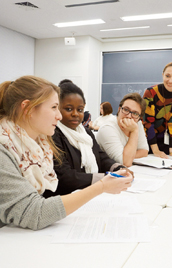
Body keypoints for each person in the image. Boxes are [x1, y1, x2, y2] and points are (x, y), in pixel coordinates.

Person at [0, 76, 132, 230]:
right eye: (54, 107)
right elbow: (34, 213)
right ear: (28, 108)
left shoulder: (40, 145)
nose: (59, 116)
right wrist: (101, 186)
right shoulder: (5, 151)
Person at [44, 79, 129, 197]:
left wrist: (119, 169)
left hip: (90, 195)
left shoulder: (86, 133)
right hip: (65, 199)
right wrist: (103, 180)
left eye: (80, 110)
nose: (75, 114)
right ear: (57, 108)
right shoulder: (52, 134)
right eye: (68, 109)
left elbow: (101, 156)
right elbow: (64, 176)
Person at [143, 62, 172, 158]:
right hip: (145, 139)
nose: (170, 81)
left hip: (161, 139)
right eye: (167, 76)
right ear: (163, 75)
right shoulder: (151, 92)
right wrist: (155, 150)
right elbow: (148, 122)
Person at [96, 93, 149, 167]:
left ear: (139, 118)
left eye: (135, 113)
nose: (129, 116)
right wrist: (134, 131)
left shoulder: (137, 124)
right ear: (119, 110)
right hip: (109, 174)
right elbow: (125, 163)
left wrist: (128, 156)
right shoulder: (107, 128)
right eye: (126, 109)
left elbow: (144, 151)